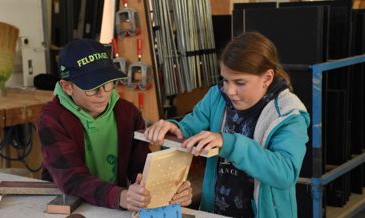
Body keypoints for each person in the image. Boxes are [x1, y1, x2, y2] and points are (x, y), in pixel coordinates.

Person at [144, 32, 310, 218]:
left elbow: (285, 173)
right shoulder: (217, 96)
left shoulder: (288, 114)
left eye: (240, 82)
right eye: (225, 80)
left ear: (267, 78)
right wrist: (175, 128)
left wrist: (228, 143)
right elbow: (191, 126)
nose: (230, 90)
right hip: (213, 212)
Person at [37, 39, 192, 211]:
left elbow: (139, 166)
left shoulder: (127, 113)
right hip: (67, 205)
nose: (102, 94)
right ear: (67, 87)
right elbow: (72, 178)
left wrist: (167, 187)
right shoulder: (52, 119)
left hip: (111, 206)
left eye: (108, 83)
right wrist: (120, 196)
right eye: (92, 87)